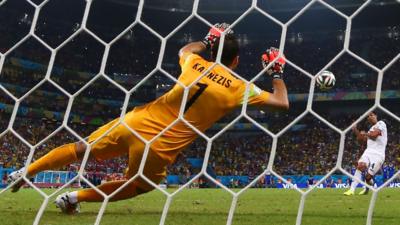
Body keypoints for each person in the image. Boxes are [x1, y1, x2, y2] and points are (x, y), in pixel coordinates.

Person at [8, 23, 289, 213]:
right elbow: (281, 104)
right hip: (157, 145)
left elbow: (185, 50)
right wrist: (276, 72)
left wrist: (207, 40)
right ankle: (73, 198)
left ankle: (27, 171)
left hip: (135, 121)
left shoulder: (196, 63)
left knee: (83, 149)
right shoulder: (239, 87)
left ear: (213, 52)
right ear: (237, 61)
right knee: (139, 186)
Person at [344, 112, 387, 196]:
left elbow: (375, 135)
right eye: (368, 116)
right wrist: (355, 129)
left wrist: (365, 134)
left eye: (372, 115)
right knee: (360, 166)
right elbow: (361, 140)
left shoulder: (381, 123)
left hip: (379, 154)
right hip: (368, 152)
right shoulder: (370, 129)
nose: (370, 117)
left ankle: (367, 186)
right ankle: (351, 190)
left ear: (376, 116)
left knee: (368, 178)